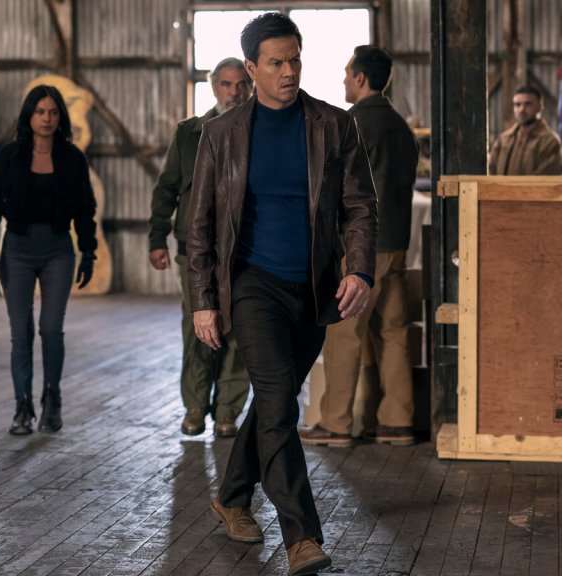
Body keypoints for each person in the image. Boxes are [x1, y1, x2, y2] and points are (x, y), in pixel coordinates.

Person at [185, 13, 376, 576]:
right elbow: (200, 224)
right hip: (252, 285)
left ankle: (232, 497)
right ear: (252, 68)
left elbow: (360, 206)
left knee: (272, 403)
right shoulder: (221, 134)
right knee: (279, 402)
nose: (289, 71)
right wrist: (203, 299)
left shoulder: (334, 125)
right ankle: (302, 536)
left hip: (314, 288)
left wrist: (360, 270)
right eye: (276, 62)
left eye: (295, 59)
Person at [299, 45, 419, 448]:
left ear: (361, 79)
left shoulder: (351, 124)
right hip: (398, 244)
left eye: (347, 73)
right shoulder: (401, 127)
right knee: (393, 332)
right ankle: (397, 422)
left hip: (361, 248)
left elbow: (333, 188)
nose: (344, 80)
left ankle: (335, 423)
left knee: (344, 334)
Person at [0, 85, 97, 436]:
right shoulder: (8, 157)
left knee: (51, 329)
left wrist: (88, 251)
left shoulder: (72, 159)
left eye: (53, 112)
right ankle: (22, 407)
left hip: (58, 249)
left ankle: (52, 399)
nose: (46, 119)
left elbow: (85, 209)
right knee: (21, 332)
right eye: (40, 112)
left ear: (61, 117)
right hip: (17, 250)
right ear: (29, 115)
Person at [148, 58, 252, 439]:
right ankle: (195, 406)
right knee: (197, 325)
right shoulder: (189, 133)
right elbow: (166, 188)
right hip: (194, 248)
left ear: (251, 87)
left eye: (241, 85)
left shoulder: (259, 131)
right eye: (226, 84)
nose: (234, 92)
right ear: (214, 87)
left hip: (244, 248)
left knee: (238, 328)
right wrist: (156, 238)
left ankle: (227, 411)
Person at [488, 85, 562, 175]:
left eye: (528, 104)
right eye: (517, 105)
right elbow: (491, 170)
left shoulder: (549, 142)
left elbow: (546, 177)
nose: (521, 109)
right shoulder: (504, 139)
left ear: (540, 106)